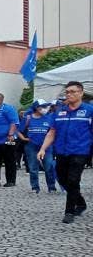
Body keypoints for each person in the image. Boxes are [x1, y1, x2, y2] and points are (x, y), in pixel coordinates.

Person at [38, 81, 93, 223]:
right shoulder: (59, 112)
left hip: (80, 151)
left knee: (73, 179)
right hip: (61, 151)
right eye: (67, 91)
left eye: (73, 91)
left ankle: (69, 212)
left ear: (81, 93)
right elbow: (52, 132)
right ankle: (80, 202)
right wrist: (43, 148)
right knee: (62, 179)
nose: (69, 94)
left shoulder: (89, 110)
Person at [19, 100, 57, 193]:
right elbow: (19, 130)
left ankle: (51, 187)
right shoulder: (28, 118)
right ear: (36, 108)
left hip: (47, 147)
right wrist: (23, 138)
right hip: (31, 146)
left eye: (45, 106)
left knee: (49, 167)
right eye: (43, 106)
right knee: (33, 168)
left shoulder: (49, 118)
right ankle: (35, 187)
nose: (45, 109)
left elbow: (53, 132)